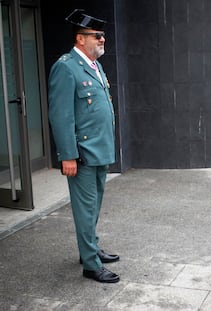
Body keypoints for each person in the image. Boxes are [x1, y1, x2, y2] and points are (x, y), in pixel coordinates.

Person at [48, 9, 120, 283]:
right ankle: (91, 264)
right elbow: (61, 115)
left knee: (94, 206)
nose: (102, 40)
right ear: (80, 38)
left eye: (102, 36)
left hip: (99, 151)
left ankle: (89, 249)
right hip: (82, 155)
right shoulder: (66, 67)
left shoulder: (94, 66)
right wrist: (67, 156)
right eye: (97, 36)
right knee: (85, 209)